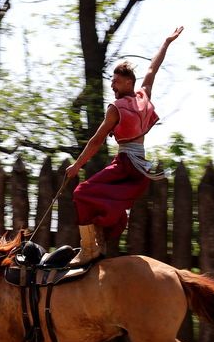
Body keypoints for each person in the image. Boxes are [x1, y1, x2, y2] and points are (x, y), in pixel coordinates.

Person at [66, 26, 184, 266]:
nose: (112, 86)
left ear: (129, 81)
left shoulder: (115, 108)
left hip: (126, 164)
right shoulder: (144, 96)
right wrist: (166, 42)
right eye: (112, 82)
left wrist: (77, 166)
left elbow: (97, 140)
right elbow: (153, 67)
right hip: (140, 169)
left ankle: (89, 249)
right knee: (108, 205)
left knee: (81, 193)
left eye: (116, 82)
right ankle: (98, 244)